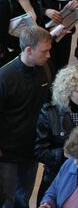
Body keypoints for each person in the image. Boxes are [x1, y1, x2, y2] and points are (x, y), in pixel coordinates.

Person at [0, 26, 53, 208]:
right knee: (5, 201)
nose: (48, 55)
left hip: (32, 151)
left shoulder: (44, 69)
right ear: (29, 50)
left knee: (23, 199)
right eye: (44, 51)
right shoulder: (3, 78)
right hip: (7, 154)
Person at [35, 65, 78, 203]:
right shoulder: (49, 114)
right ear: (67, 91)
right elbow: (40, 151)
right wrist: (64, 154)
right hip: (56, 179)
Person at [39, 0, 78, 71]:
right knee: (47, 64)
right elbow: (33, 2)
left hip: (66, 29)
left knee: (62, 64)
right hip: (45, 28)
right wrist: (45, 11)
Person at [39, 127, 78, 208]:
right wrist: (47, 203)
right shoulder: (69, 164)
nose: (75, 163)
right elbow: (52, 192)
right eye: (74, 158)